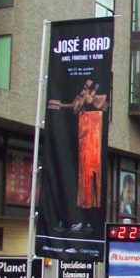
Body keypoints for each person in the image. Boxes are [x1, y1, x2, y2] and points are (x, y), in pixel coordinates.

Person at [47, 79, 108, 209]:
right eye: (83, 89)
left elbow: (95, 102)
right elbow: (76, 106)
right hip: (86, 132)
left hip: (92, 131)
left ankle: (91, 200)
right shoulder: (83, 105)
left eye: (86, 89)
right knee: (86, 169)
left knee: (91, 168)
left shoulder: (97, 104)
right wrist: (61, 105)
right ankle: (87, 200)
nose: (83, 92)